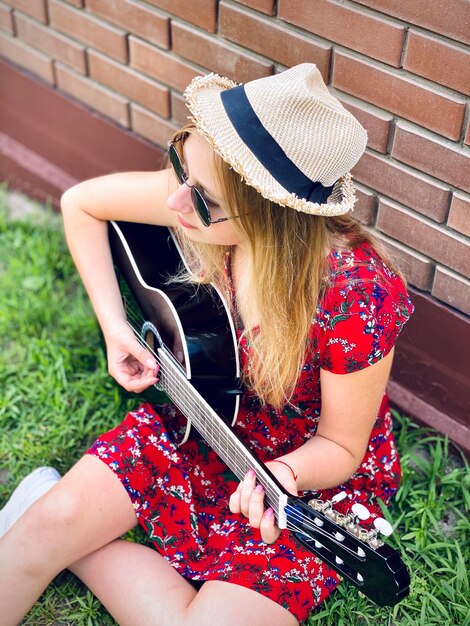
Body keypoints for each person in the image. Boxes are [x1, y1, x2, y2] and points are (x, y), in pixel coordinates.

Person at [0, 64, 414, 626]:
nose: (174, 202)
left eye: (201, 200)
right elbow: (82, 204)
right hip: (194, 413)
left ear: (270, 216)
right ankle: (53, 522)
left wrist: (285, 478)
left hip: (297, 467)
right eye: (180, 165)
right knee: (43, 533)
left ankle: (64, 534)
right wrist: (115, 326)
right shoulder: (203, 194)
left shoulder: (356, 297)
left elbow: (341, 447)